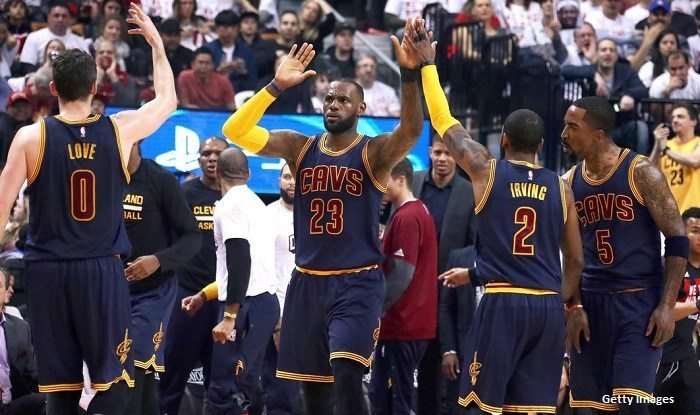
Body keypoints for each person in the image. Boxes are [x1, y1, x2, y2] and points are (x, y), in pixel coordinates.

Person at [220, 17, 424, 413]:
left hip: (356, 282)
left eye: (343, 100)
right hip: (308, 281)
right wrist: (275, 87)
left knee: (346, 375)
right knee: (314, 394)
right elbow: (235, 130)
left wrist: (409, 75)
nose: (333, 105)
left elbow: (412, 130)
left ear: (361, 108)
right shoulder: (299, 147)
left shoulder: (374, 152)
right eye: (329, 99)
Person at [0, 3, 176, 414]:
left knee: (60, 390)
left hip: (47, 271)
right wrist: (156, 46)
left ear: (53, 89)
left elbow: (3, 205)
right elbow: (167, 100)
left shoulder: (30, 138)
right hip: (99, 269)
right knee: (116, 380)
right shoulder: (120, 130)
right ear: (95, 88)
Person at [410, 18, 585, 414]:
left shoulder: (486, 171)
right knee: (531, 409)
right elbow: (575, 259)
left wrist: (428, 65)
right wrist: (559, 300)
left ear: (503, 140)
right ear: (541, 145)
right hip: (546, 306)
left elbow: (444, 122)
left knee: (480, 406)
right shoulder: (562, 187)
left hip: (503, 301)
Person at [561, 96, 687, 414]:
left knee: (631, 404)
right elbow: (570, 256)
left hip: (638, 304)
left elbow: (677, 240)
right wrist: (574, 306)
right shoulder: (568, 182)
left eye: (572, 127)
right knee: (590, 408)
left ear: (597, 135)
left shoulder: (641, 172)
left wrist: (667, 306)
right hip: (591, 304)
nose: (564, 134)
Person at [181, 148, 279, 415]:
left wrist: (229, 316)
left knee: (225, 391)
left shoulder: (229, 206)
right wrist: (204, 295)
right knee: (245, 386)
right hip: (263, 304)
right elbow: (242, 269)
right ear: (248, 174)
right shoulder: (258, 204)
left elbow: (240, 261)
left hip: (246, 306)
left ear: (218, 174)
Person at [121, 143, 202, 415]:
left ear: (137, 140)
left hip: (153, 292)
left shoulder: (160, 180)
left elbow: (192, 237)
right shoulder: (105, 177)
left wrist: (157, 260)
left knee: (133, 363)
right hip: (113, 290)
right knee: (132, 376)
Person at [158, 137, 229, 415]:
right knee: (173, 373)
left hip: (224, 299)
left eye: (218, 153)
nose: (212, 158)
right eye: (206, 153)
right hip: (187, 295)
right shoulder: (184, 194)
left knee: (220, 379)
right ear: (198, 160)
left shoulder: (238, 198)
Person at [369, 158, 438, 415]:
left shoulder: (408, 216)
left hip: (403, 324)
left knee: (394, 401)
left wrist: (375, 309)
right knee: (392, 398)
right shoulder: (416, 211)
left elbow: (401, 273)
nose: (380, 185)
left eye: (385, 179)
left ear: (400, 179)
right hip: (408, 324)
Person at [650, 207, 700, 415]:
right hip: (659, 355)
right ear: (682, 232)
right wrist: (697, 305)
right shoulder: (668, 267)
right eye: (695, 231)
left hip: (686, 353)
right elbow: (662, 312)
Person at [261, 164, 301, 415]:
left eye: (296, 177)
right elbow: (261, 270)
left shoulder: (316, 215)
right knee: (280, 391)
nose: (292, 182)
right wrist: (277, 322)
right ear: (278, 181)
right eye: (287, 177)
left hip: (310, 315)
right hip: (278, 314)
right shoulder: (267, 216)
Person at [0, 266, 45, 415]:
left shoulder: (20, 328)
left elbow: (33, 375)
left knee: (53, 402)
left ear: (6, 294)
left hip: (13, 404)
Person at [649, 103, 700, 214]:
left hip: (695, 212)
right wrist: (657, 146)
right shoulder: (667, 144)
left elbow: (695, 161)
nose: (675, 120)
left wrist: (666, 150)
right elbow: (649, 172)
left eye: (680, 117)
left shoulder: (698, 142)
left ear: (693, 121)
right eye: (673, 117)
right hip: (670, 212)